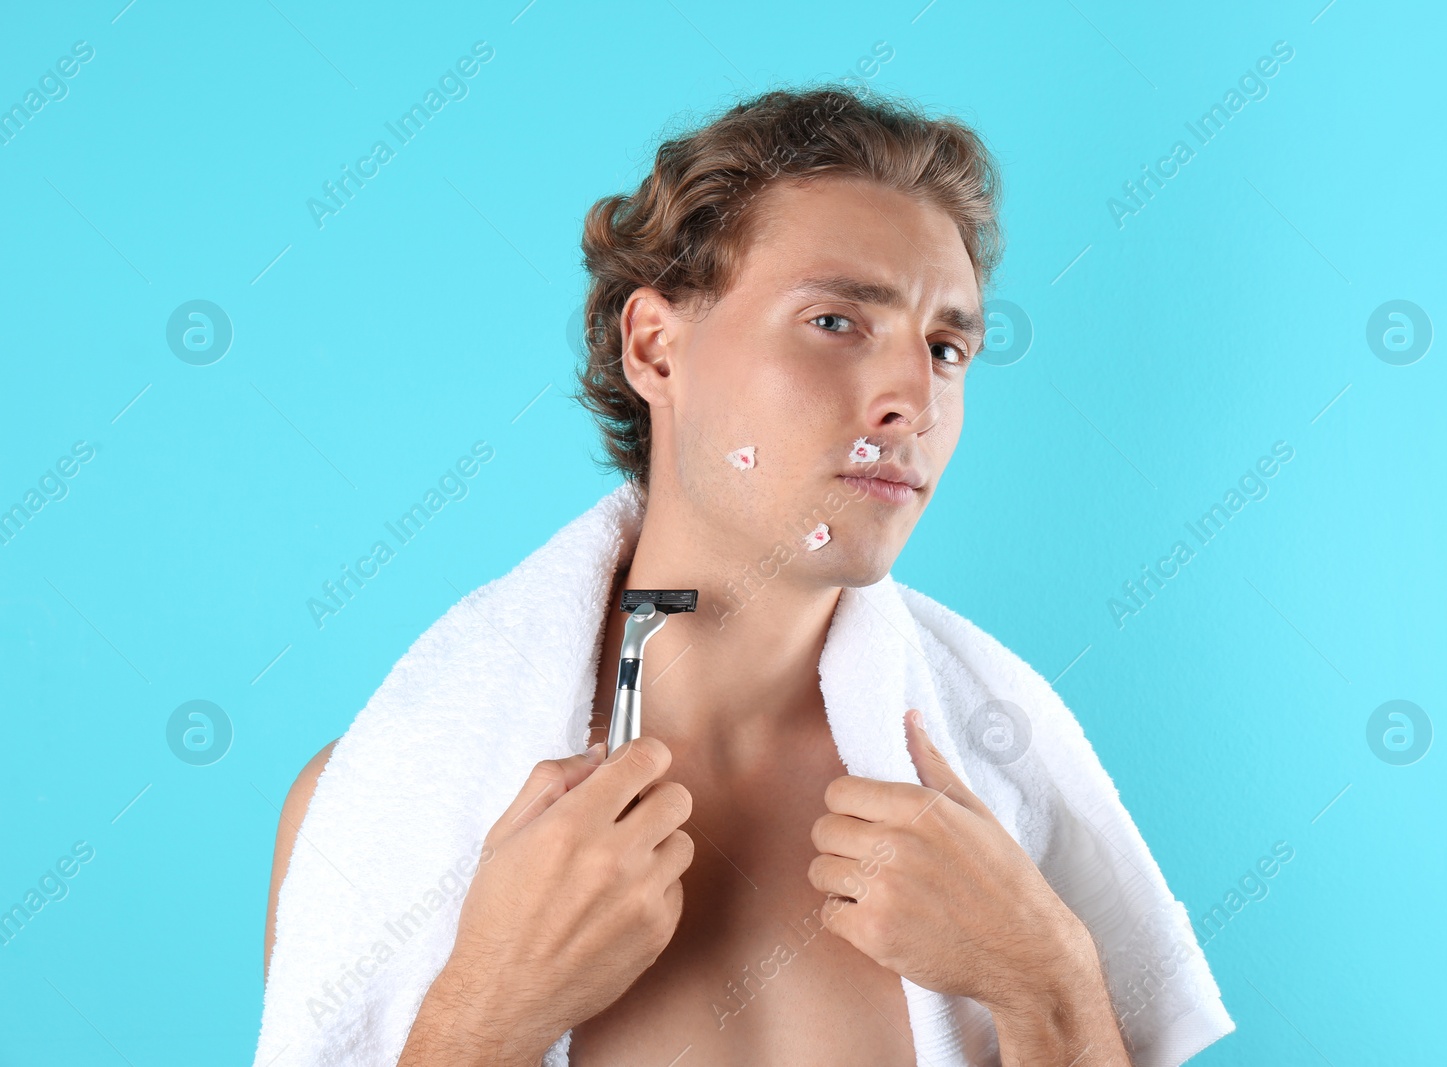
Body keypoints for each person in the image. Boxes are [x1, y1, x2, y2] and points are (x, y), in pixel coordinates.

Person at [262, 85, 1228, 1067]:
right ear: (656, 346)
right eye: (836, 321)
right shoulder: (386, 803)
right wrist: (486, 1006)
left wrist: (1046, 979)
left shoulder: (1007, 780)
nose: (912, 398)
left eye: (946, 347)